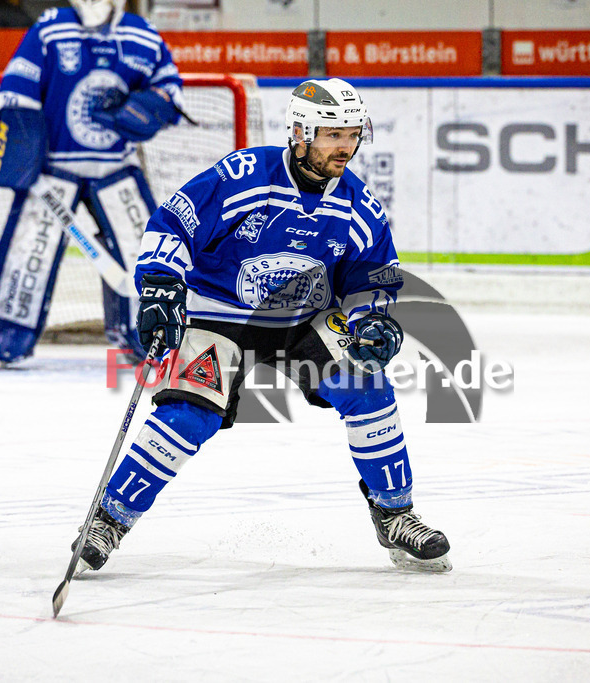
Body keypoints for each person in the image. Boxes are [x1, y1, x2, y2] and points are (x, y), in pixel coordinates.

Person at [73, 78, 452, 573]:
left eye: (352, 134)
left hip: (301, 318)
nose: (345, 147)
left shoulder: (358, 203)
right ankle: (108, 520)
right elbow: (173, 224)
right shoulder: (244, 176)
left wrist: (373, 321)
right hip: (219, 313)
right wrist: (162, 283)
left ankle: (395, 514)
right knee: (188, 416)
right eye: (332, 135)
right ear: (300, 133)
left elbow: (372, 276)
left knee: (367, 384)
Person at [0, 0, 184, 363]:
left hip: (116, 167)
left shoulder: (143, 35)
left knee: (145, 250)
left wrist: (149, 107)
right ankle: (6, 338)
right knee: (29, 254)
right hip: (53, 168)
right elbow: (17, 88)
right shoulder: (52, 28)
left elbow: (172, 92)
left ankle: (146, 336)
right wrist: (22, 144)